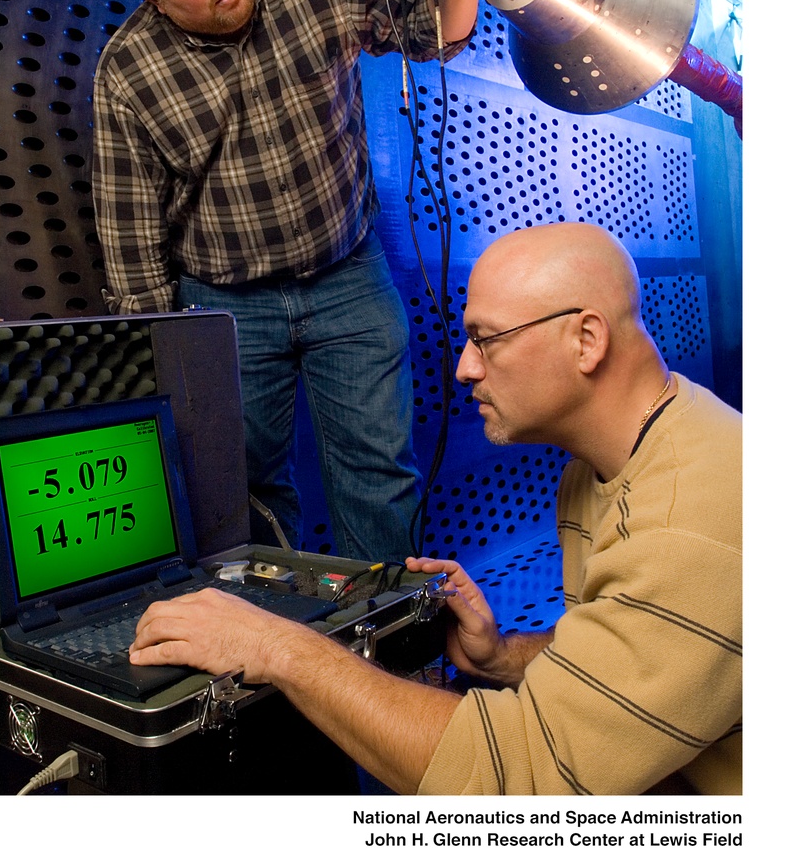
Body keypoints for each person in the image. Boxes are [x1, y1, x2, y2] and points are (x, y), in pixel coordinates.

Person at [127, 222, 742, 795]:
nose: (463, 369)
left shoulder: (685, 523)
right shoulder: (609, 463)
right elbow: (626, 662)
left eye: (484, 339)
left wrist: (276, 647)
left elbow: (525, 788)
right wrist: (503, 656)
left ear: (586, 340)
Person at [93, 0, 507, 561]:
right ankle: (284, 647)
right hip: (226, 303)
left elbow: (433, 30)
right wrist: (169, 362)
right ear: (154, 1)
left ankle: (388, 641)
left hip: (347, 273)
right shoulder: (128, 71)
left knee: (377, 472)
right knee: (240, 490)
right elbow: (129, 237)